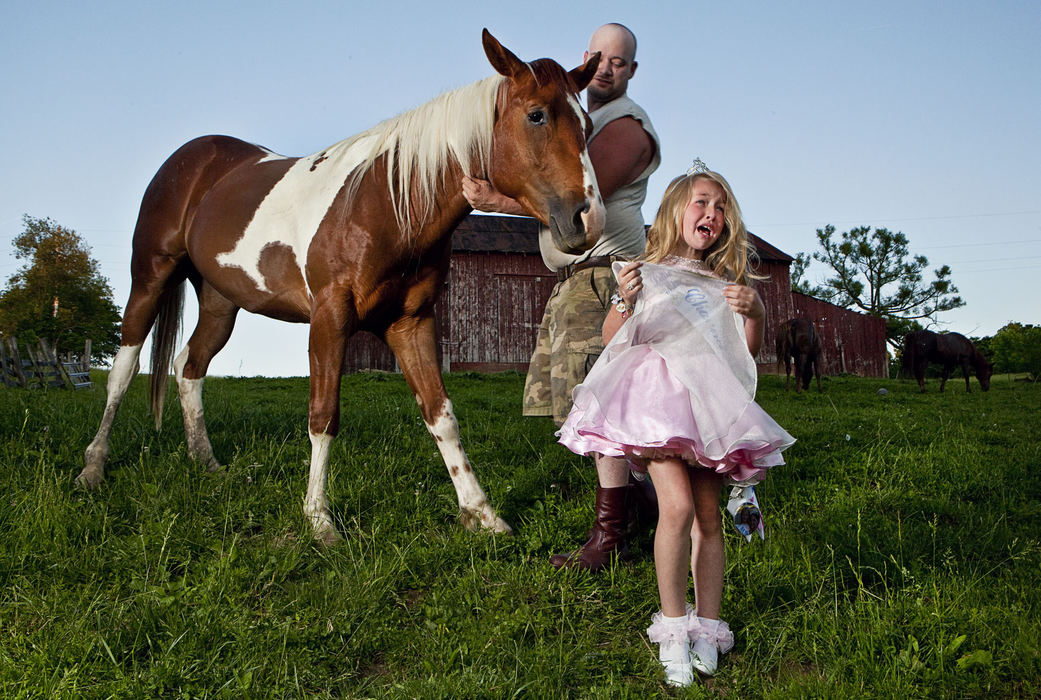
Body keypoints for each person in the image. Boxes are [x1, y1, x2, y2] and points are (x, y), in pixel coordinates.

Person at [556, 166, 795, 684]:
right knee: (679, 507)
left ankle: (707, 626)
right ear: (674, 211)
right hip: (659, 405)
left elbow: (743, 358)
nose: (711, 214)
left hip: (709, 409)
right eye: (701, 203)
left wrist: (754, 314)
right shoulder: (648, 269)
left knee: (710, 516)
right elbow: (612, 335)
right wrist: (625, 297)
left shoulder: (725, 285)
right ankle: (671, 626)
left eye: (721, 208)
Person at [462, 23, 661, 571]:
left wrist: (499, 200)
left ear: (631, 72)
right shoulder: (581, 122)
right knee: (590, 408)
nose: (607, 67)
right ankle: (645, 507)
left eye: (620, 62)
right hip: (580, 282)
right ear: (585, 59)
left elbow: (578, 210)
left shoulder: (627, 126)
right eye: (600, 57)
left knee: (602, 408)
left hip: (605, 278)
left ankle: (610, 537)